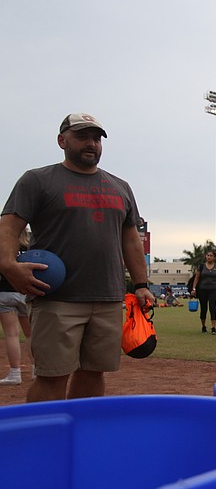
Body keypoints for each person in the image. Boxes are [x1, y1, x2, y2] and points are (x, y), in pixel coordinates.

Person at [0, 113, 155, 402]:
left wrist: (141, 283)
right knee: (52, 376)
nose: (91, 144)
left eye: (96, 138)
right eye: (83, 136)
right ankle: (45, 438)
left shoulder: (120, 186)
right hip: (57, 298)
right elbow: (9, 226)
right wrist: (8, 265)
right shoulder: (38, 180)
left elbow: (130, 239)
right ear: (62, 140)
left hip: (108, 298)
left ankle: (82, 433)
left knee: (94, 373)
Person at [0, 231, 33, 385]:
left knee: (12, 335)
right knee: (30, 334)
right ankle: (37, 370)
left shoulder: (4, 247)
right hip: (26, 292)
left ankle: (15, 374)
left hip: (5, 293)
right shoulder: (30, 247)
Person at [191, 250, 216, 334]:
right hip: (202, 289)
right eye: (208, 255)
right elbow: (197, 278)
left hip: (213, 290)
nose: (209, 257)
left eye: (211, 255)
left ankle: (213, 327)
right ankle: (203, 326)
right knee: (203, 308)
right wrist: (193, 289)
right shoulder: (201, 266)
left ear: (214, 257)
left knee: (212, 308)